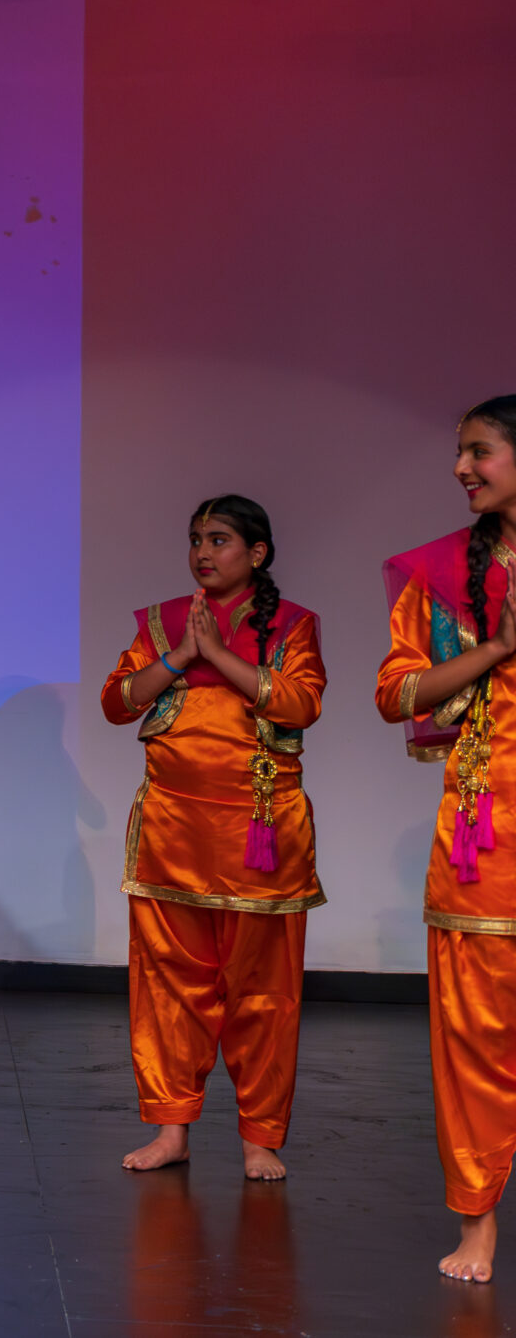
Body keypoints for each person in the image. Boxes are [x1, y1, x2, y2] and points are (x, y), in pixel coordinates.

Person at [101, 495, 324, 1183]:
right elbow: (118, 701)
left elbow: (299, 703)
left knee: (262, 990)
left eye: (220, 539)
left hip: (259, 828)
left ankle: (260, 1136)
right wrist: (179, 654)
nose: (203, 551)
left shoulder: (291, 624)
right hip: (173, 830)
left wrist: (219, 655)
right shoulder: (164, 620)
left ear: (257, 553)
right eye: (196, 538)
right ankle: (172, 1128)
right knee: (169, 985)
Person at [378, 395, 516, 1280]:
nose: (462, 468)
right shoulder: (441, 575)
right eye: (460, 453)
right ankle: (476, 1220)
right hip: (485, 835)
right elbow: (398, 694)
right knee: (473, 1034)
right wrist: (497, 648)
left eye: (479, 451)